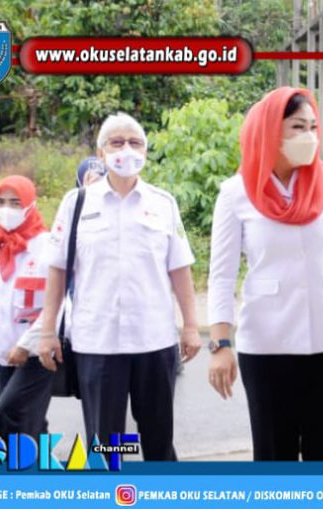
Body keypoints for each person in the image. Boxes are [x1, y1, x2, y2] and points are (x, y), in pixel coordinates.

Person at [207, 87, 323, 461]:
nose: (308, 136)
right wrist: (220, 345)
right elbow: (221, 276)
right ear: (270, 130)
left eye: (313, 127)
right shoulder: (236, 193)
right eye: (298, 127)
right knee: (274, 455)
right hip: (267, 346)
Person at [38, 112, 200, 460]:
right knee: (107, 443)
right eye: (117, 142)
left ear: (145, 151)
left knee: (158, 439)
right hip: (97, 342)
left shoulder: (162, 203)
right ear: (101, 153)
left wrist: (190, 325)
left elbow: (180, 268)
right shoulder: (76, 203)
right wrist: (47, 331)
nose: (127, 149)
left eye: (135, 142)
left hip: (154, 340)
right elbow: (58, 270)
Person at [0, 176, 54, 440]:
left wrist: (26, 345)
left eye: (16, 202)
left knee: (9, 414)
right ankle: (38, 462)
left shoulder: (47, 246)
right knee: (29, 425)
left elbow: (57, 302)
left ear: (30, 205)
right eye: (1, 202)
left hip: (37, 352)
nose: (7, 209)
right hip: (5, 350)